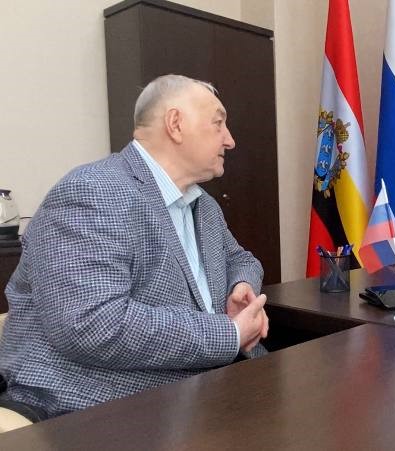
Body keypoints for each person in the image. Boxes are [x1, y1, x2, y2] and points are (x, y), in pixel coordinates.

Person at [0, 75, 269, 418]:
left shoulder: (203, 205)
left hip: (207, 391)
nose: (229, 140)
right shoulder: (92, 192)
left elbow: (240, 259)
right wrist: (228, 333)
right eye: (218, 124)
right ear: (175, 124)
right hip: (106, 407)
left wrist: (240, 285)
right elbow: (94, 324)